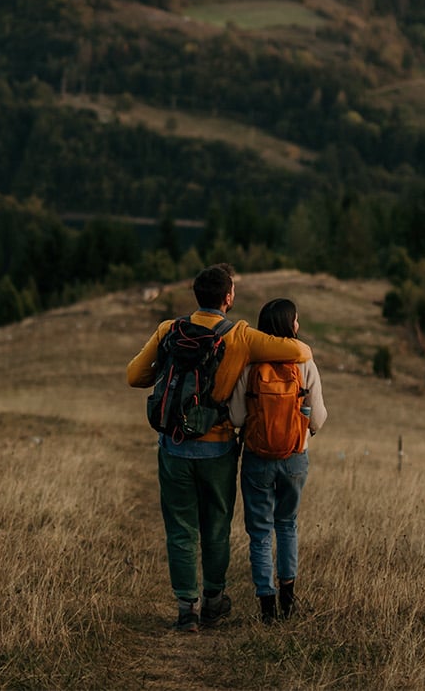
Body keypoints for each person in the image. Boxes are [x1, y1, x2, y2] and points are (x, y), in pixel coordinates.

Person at [127, 264, 312, 633]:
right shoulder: (240, 336)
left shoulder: (169, 329)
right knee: (215, 526)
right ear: (228, 298)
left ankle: (186, 609)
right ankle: (213, 602)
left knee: (180, 529)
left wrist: (166, 370)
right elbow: (300, 351)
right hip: (218, 449)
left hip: (173, 447)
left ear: (197, 295)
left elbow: (135, 375)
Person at [230, 298, 326, 624]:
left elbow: (236, 416)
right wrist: (304, 429)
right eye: (296, 320)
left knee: (259, 533)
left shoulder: (251, 363)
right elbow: (319, 417)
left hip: (257, 457)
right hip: (294, 457)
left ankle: (266, 606)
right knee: (287, 525)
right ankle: (288, 598)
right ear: (290, 325)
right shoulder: (304, 363)